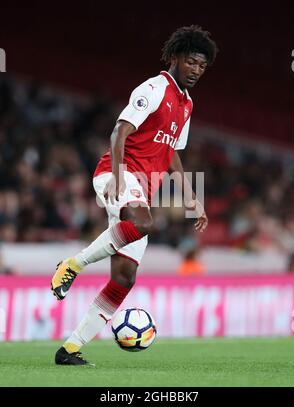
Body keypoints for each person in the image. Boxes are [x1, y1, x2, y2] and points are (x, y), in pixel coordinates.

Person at [51, 25, 218, 365]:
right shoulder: (154, 89)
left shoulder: (186, 104)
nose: (197, 70)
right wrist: (115, 176)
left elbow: (171, 152)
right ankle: (72, 265)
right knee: (143, 222)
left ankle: (70, 349)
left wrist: (190, 196)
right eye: (191, 62)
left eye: (202, 66)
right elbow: (119, 130)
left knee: (124, 278)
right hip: (117, 174)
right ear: (175, 57)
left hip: (142, 185)